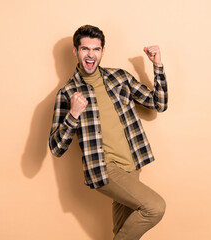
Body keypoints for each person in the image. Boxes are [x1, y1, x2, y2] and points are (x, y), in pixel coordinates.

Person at [49, 25, 168, 240]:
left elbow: (158, 103)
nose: (91, 54)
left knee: (122, 231)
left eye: (96, 49)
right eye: (85, 49)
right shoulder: (67, 93)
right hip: (103, 168)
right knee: (154, 207)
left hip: (132, 165)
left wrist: (157, 65)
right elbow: (56, 148)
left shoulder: (119, 78)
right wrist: (73, 115)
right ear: (76, 51)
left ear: (102, 51)